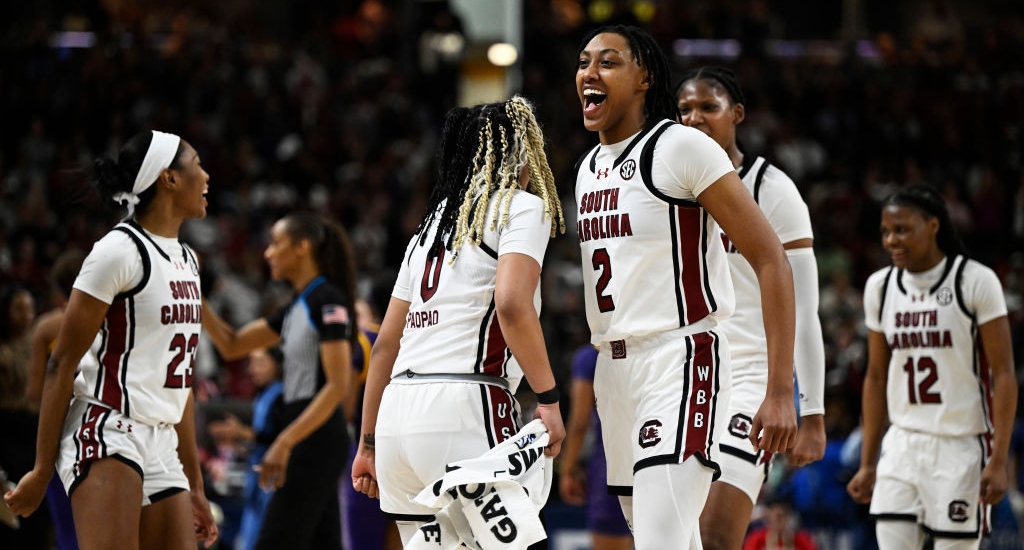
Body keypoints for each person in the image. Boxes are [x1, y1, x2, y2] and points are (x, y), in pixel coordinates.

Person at [572, 25, 799, 549]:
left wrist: (780, 390)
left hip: (679, 358)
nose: (589, 72)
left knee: (663, 541)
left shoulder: (680, 146)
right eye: (584, 62)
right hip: (614, 372)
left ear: (645, 77)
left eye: (608, 62)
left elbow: (771, 260)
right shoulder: (587, 168)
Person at [351, 96, 567, 547]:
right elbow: (512, 305)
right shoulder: (520, 207)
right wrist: (548, 398)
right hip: (464, 407)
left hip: (395, 417)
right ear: (521, 156)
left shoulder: (430, 225)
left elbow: (387, 343)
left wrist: (367, 443)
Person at [3, 129, 219, 549]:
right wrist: (42, 469)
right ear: (169, 178)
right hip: (107, 427)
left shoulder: (189, 260)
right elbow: (61, 362)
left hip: (162, 439)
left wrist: (195, 484)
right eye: (197, 164)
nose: (206, 176)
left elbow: (180, 383)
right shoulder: (118, 251)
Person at [675, 65, 827, 550]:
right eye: (684, 110)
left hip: (750, 380)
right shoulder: (669, 189)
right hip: (681, 374)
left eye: (708, 107)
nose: (694, 118)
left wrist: (812, 412)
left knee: (715, 534)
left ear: (736, 114)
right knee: (674, 536)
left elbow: (806, 310)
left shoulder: (772, 189)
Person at [846, 184, 1018, 549]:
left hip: (960, 445)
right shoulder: (881, 287)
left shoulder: (974, 280)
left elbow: (1004, 374)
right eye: (886, 232)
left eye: (902, 229)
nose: (891, 240)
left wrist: (999, 460)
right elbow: (875, 377)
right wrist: (868, 462)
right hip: (902, 443)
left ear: (934, 225)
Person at [201, 212, 356, 550]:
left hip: (314, 438)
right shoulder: (294, 307)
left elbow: (338, 384)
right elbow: (232, 344)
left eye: (275, 243)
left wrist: (284, 442)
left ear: (302, 247)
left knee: (275, 541)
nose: (268, 253)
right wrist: (192, 296)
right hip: (309, 437)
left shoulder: (327, 300)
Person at [25, 249, 86, 550]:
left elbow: (34, 393)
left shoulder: (47, 327)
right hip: (109, 433)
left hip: (60, 437)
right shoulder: (117, 321)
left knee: (68, 535)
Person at [204, 347, 284, 550]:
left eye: (260, 363)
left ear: (276, 365)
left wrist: (240, 431)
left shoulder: (282, 395)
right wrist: (236, 444)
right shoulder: (262, 395)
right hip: (255, 479)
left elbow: (278, 438)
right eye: (252, 363)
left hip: (272, 481)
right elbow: (259, 444)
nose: (253, 369)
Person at [558, 343, 634, 550]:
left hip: (613, 465)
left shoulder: (591, 356)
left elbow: (580, 421)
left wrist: (567, 470)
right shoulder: (652, 346)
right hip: (659, 454)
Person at [339, 299, 401, 550]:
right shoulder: (410, 337)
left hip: (369, 449)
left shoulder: (363, 341)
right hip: (405, 449)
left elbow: (346, 409)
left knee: (362, 541)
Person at [0, 283, 47, 549]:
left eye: (29, 308)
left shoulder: (37, 343)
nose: (26, 314)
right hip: (7, 429)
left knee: (38, 506)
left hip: (35, 428)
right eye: (19, 308)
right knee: (11, 502)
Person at [742, 494, 819, 550]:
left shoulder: (801, 539)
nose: (781, 521)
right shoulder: (756, 538)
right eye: (778, 517)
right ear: (768, 518)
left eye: (785, 516)